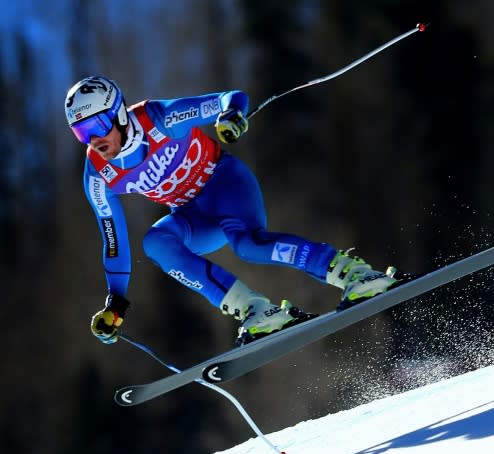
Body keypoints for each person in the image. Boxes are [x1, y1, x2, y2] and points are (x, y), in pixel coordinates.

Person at [65, 76, 404, 346]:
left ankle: (354, 274)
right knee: (155, 243)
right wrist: (116, 303)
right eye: (81, 133)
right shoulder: (97, 174)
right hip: (194, 217)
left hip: (225, 185)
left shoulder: (158, 119)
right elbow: (113, 240)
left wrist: (231, 116)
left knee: (248, 245)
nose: (93, 140)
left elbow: (230, 98)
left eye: (96, 127)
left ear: (119, 114)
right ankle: (255, 310)